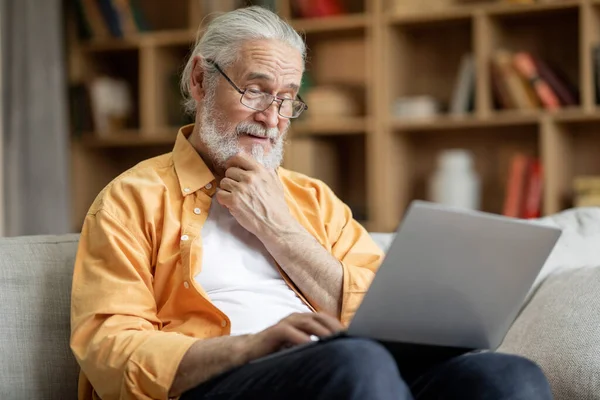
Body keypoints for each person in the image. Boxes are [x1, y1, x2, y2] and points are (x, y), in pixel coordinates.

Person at [70, 6, 553, 400]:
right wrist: (248, 349)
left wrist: (281, 231)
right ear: (200, 81)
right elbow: (111, 350)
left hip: (348, 371)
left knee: (508, 378)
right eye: (256, 90)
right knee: (357, 363)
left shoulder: (313, 199)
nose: (272, 117)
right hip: (223, 381)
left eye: (287, 99)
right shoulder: (131, 199)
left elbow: (383, 313)